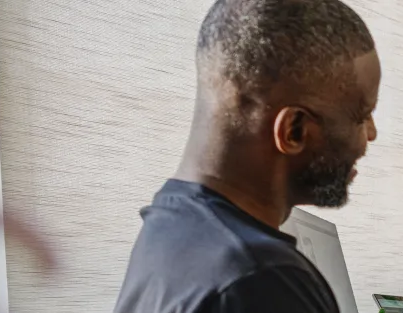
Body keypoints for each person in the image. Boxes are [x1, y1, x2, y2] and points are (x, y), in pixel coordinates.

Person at [113, 0, 380, 312]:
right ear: (293, 130)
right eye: (362, 115)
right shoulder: (261, 280)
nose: (372, 133)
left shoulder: (168, 227)